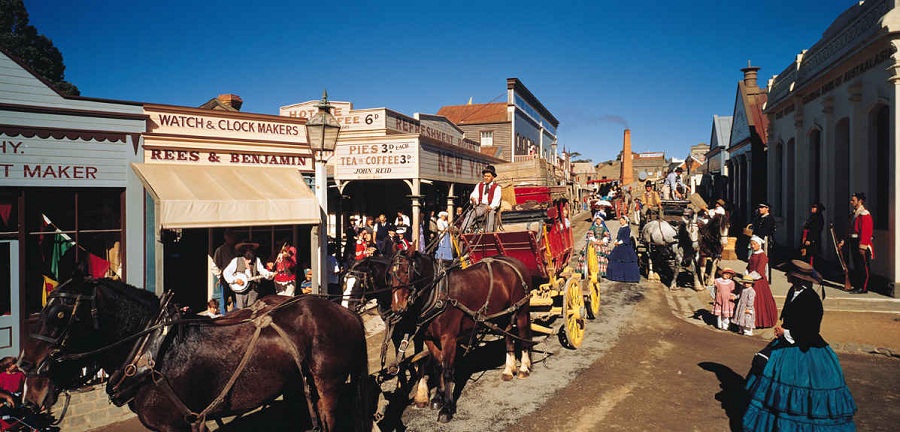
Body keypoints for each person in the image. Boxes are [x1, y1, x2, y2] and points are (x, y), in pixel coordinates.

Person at [743, 260, 856, 430]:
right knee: (763, 365)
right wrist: (783, 330)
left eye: (790, 274)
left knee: (801, 387)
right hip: (786, 342)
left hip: (804, 346)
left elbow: (811, 330)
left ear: (799, 279)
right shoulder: (792, 291)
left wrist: (786, 333)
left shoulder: (812, 300)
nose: (787, 276)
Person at [838, 192, 873, 294]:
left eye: (853, 200)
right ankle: (858, 286)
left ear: (860, 201)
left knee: (863, 266)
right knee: (857, 266)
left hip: (861, 242)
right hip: (854, 241)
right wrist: (843, 241)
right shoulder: (854, 214)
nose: (851, 202)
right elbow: (849, 230)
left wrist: (863, 247)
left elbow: (866, 231)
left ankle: (864, 287)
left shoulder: (864, 214)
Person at [222, 242, 274, 309]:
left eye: (250, 248)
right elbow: (226, 272)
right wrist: (235, 280)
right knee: (241, 310)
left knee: (251, 310)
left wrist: (269, 274)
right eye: (246, 248)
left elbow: (262, 270)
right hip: (240, 290)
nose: (248, 249)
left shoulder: (256, 260)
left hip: (253, 289)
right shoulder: (236, 260)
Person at [746, 236, 778, 329]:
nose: (752, 246)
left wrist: (749, 277)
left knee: (758, 301)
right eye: (751, 244)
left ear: (759, 245)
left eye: (754, 244)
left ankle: (759, 321)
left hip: (758, 281)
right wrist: (746, 272)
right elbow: (749, 266)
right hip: (750, 279)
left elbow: (760, 270)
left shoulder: (762, 255)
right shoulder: (753, 254)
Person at [461, 165, 502, 233]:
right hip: (480, 206)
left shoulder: (497, 187)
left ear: (493, 177)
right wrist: (474, 199)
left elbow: (496, 200)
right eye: (485, 176)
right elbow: (475, 194)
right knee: (470, 213)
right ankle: (464, 230)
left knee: (490, 214)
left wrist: (491, 207)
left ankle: (488, 232)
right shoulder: (479, 185)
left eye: (488, 176)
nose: (486, 178)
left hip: (490, 207)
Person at [605, 216, 641, 283]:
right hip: (619, 245)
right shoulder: (621, 228)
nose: (620, 221)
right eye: (620, 220)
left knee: (625, 259)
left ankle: (627, 277)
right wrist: (616, 241)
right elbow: (618, 236)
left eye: (621, 220)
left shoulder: (627, 228)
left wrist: (619, 242)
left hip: (625, 245)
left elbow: (626, 238)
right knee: (614, 259)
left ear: (625, 221)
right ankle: (616, 276)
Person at [211, 229, 238, 313]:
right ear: (226, 237)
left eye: (233, 236)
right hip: (225, 279)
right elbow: (214, 266)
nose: (232, 238)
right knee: (224, 300)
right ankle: (223, 318)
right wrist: (220, 276)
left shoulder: (237, 249)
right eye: (230, 236)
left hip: (237, 279)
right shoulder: (220, 250)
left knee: (236, 300)